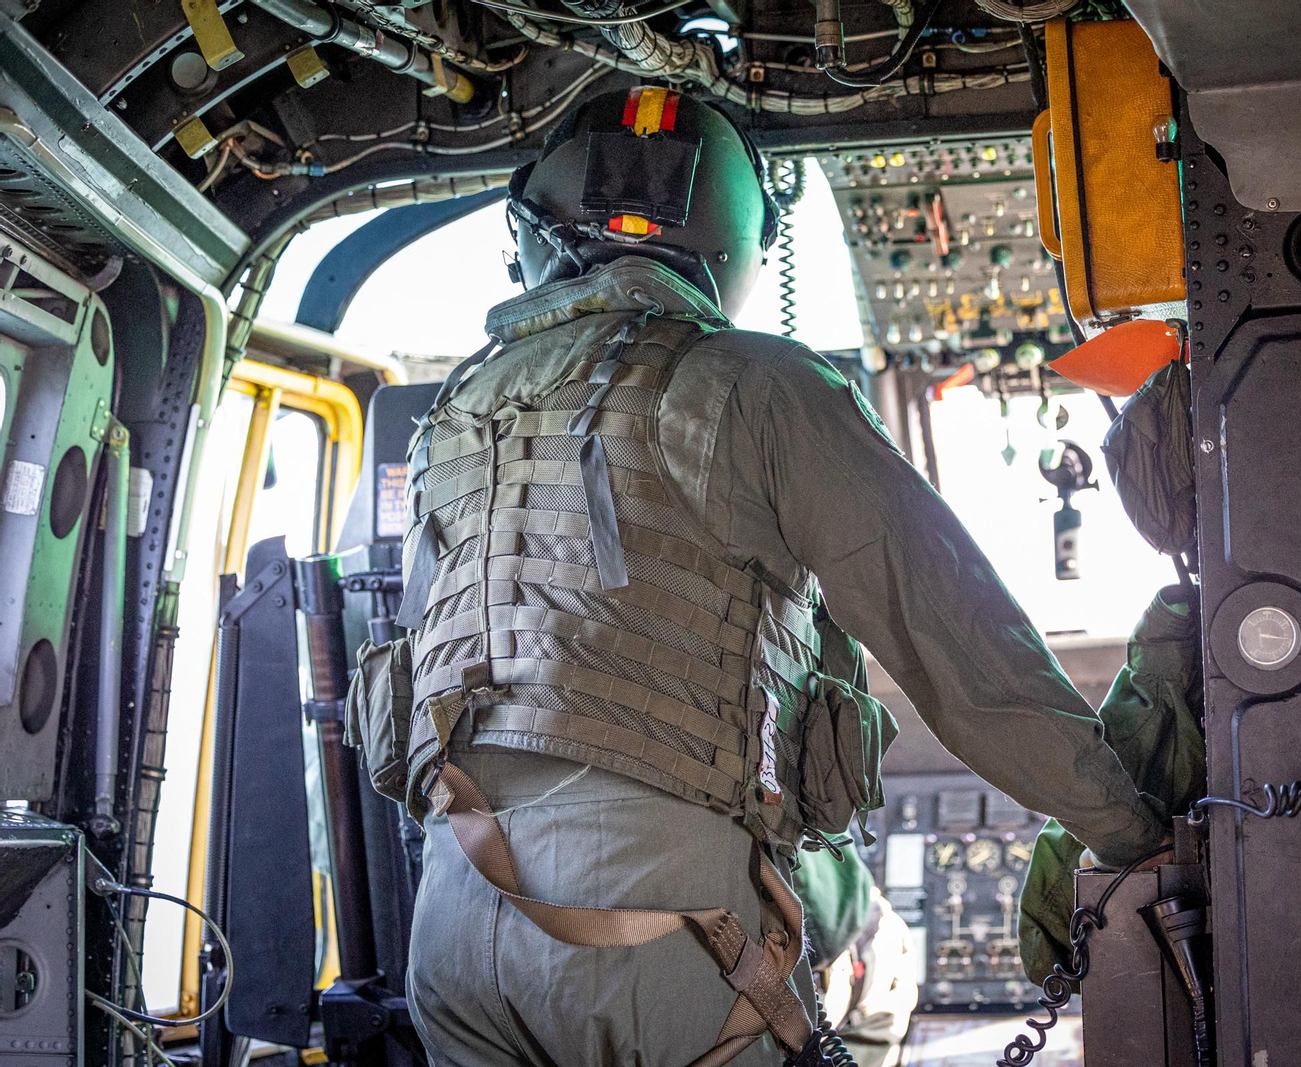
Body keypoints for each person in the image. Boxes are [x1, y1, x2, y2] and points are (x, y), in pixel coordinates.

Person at [388, 85, 1177, 1067]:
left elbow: (429, 663)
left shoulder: (456, 414)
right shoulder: (757, 383)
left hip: (454, 915)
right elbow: (955, 637)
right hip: (657, 915)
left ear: (535, 232)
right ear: (733, 246)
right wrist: (1125, 829)